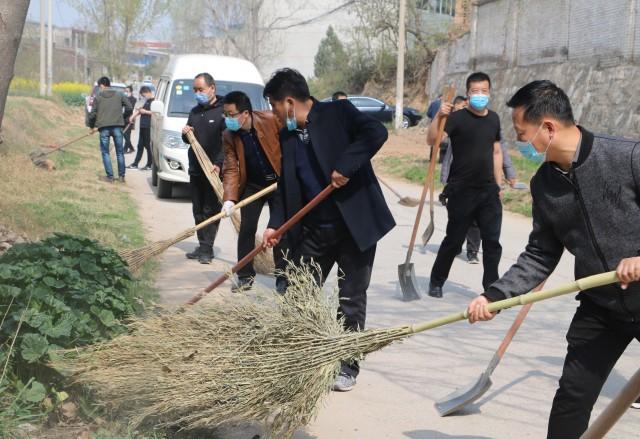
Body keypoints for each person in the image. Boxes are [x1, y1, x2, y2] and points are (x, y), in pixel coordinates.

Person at [467, 80, 640, 439]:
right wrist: (495, 296)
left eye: (521, 133)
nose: (520, 143)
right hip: (602, 306)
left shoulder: (626, 157)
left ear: (548, 127)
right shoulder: (544, 184)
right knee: (572, 398)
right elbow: (540, 254)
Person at [261, 68, 395, 392]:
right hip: (315, 232)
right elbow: (285, 187)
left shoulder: (338, 113)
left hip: (354, 229)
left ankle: (347, 365)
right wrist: (275, 224)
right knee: (298, 293)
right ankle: (300, 357)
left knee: (350, 299)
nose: (275, 114)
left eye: (275, 107)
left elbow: (376, 133)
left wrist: (346, 165)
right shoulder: (288, 136)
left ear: (289, 102)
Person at [427, 72, 503, 298]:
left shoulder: (494, 119)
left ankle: (491, 288)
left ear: (489, 92)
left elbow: (496, 151)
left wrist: (498, 187)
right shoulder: (457, 118)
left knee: (492, 243)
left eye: (484, 91)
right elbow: (433, 140)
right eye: (475, 91)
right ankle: (436, 280)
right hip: (462, 190)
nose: (480, 95)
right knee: (454, 240)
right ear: (468, 94)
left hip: (488, 192)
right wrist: (438, 117)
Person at [220, 91, 287, 294]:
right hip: (253, 185)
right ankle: (245, 276)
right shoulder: (229, 135)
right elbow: (231, 167)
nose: (228, 119)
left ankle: (283, 279)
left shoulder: (271, 120)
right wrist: (230, 198)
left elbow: (290, 146)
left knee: (279, 231)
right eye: (226, 114)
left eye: (231, 114)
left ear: (245, 113)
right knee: (247, 229)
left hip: (278, 183)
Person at [440, 95, 517, 264]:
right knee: (457, 224)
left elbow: (500, 151)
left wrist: (508, 174)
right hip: (458, 183)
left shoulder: (492, 123)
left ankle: (473, 250)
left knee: (476, 222)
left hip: (484, 185)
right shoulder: (457, 125)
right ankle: (455, 246)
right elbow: (446, 153)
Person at [181, 73, 225, 264]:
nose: (198, 93)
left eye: (201, 89)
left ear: (212, 88)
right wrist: (185, 133)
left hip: (214, 169)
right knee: (198, 209)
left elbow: (228, 142)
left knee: (211, 209)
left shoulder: (223, 111)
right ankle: (201, 245)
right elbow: (188, 139)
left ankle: (208, 248)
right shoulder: (194, 112)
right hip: (196, 168)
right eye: (195, 90)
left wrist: (219, 163)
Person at [88, 76, 132, 183]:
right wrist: (122, 117)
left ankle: (110, 177)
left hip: (103, 128)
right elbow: (129, 107)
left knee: (105, 152)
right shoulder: (120, 94)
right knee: (120, 152)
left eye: (99, 87)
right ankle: (121, 177)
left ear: (102, 85)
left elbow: (92, 114)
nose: (99, 89)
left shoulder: (98, 97)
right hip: (117, 126)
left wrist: (92, 126)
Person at [126, 86, 154, 171]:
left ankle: (150, 165)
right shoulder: (147, 101)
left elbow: (156, 113)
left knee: (148, 147)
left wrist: (145, 111)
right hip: (142, 126)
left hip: (148, 127)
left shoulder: (154, 102)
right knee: (140, 146)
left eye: (143, 95)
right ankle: (135, 164)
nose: (143, 97)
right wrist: (132, 117)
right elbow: (140, 111)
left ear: (147, 92)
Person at [123, 85, 137, 154]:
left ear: (131, 92)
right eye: (125, 91)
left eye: (127, 91)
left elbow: (130, 108)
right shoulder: (124, 98)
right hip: (123, 118)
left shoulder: (133, 99)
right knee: (125, 134)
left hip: (129, 118)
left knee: (126, 134)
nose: (126, 92)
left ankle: (129, 148)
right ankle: (127, 148)